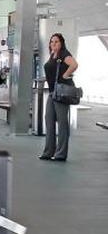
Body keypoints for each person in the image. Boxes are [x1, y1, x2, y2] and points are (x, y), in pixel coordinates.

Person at [40, 33, 79, 162]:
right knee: (49, 120)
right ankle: (48, 151)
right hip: (52, 93)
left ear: (61, 43)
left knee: (62, 123)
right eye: (52, 42)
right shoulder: (52, 55)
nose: (53, 44)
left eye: (56, 41)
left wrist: (65, 76)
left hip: (61, 93)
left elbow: (74, 64)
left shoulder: (64, 54)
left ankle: (61, 154)